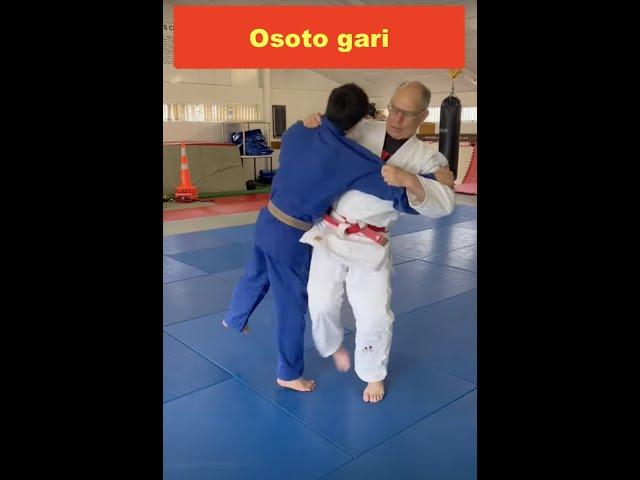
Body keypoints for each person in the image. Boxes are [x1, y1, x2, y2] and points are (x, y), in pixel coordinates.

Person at [222, 83, 429, 393]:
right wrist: (426, 186)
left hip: (266, 219)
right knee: (291, 306)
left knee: (257, 271)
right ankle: (288, 373)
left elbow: (303, 140)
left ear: (328, 106)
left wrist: (314, 119)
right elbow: (392, 191)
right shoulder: (350, 156)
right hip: (290, 235)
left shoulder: (297, 131)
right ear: (359, 122)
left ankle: (235, 317)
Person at [300, 81, 456, 403]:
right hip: (331, 231)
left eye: (407, 114)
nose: (396, 119)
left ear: (423, 116)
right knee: (320, 302)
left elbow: (445, 203)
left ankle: (373, 373)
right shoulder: (361, 128)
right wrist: (314, 122)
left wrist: (410, 180)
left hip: (371, 243)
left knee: (373, 314)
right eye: (393, 109)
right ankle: (331, 345)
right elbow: (325, 140)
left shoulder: (426, 157)